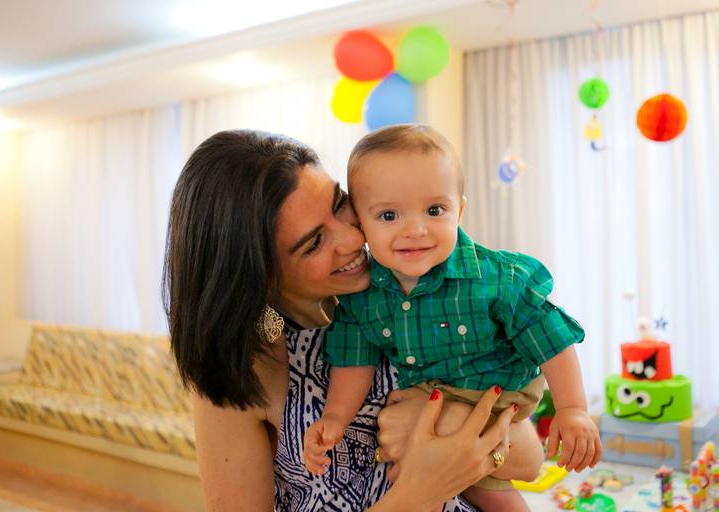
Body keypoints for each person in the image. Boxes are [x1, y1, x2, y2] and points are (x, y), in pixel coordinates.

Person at [162, 129, 544, 511]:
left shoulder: (401, 291)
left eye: (340, 204)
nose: (350, 239)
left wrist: (440, 421)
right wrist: (419, 490)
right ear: (257, 275)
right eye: (314, 243)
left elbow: (529, 460)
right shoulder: (242, 369)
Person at [303, 124, 602, 511]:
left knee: (490, 493)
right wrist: (336, 417)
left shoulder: (496, 280)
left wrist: (572, 408)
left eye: (434, 210)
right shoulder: (365, 298)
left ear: (458, 210)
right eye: (389, 215)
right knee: (428, 478)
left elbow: (551, 336)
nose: (415, 229)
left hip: (497, 396)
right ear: (361, 224)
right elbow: (354, 360)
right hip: (431, 394)